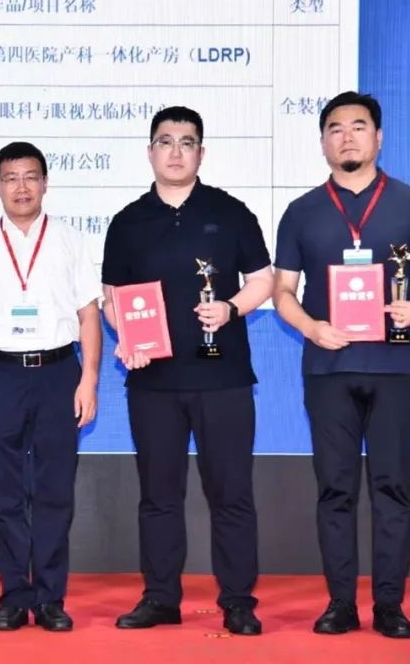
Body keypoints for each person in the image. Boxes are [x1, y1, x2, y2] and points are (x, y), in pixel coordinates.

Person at [273, 91, 410, 639]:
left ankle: (390, 606)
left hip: (394, 366)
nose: (346, 136)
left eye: (358, 126)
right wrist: (312, 328)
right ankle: (341, 604)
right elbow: (282, 291)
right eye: (335, 128)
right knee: (336, 489)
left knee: (392, 487)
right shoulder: (301, 211)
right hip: (328, 369)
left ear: (379, 137)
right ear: (323, 142)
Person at [101, 106, 272, 636]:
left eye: (187, 142)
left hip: (223, 379)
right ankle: (160, 597)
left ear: (201, 151)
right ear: (150, 151)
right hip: (153, 382)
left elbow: (264, 280)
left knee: (232, 493)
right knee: (158, 495)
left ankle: (238, 601)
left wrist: (231, 309)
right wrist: (128, 339)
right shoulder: (127, 221)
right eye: (166, 141)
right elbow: (111, 298)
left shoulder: (231, 212)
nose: (176, 152)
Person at [0, 141, 101, 632]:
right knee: (7, 492)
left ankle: (51, 598)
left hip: (58, 372)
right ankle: (15, 596)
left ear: (45, 183)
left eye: (30, 177)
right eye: (11, 178)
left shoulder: (71, 240)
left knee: (55, 492)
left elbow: (88, 315)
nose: (21, 187)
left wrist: (89, 378)